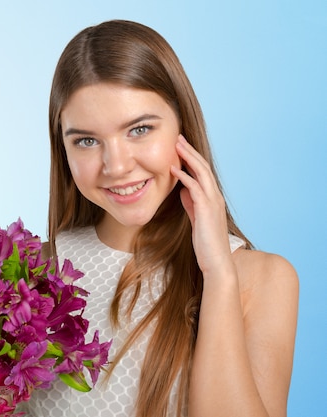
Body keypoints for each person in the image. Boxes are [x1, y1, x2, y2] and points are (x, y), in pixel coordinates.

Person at [23, 20, 298, 417]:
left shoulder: (262, 279)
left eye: (139, 129)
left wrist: (217, 273)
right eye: (86, 140)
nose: (116, 166)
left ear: (182, 124)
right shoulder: (26, 272)